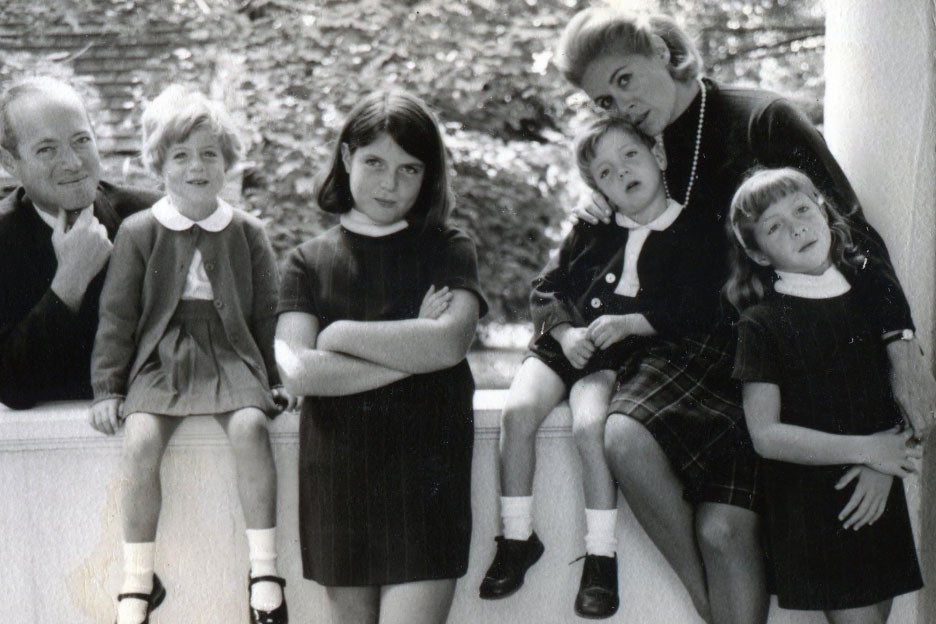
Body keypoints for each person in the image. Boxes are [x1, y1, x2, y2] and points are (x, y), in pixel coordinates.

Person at [554, 7, 935, 624]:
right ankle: (714, 610)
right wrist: (601, 211)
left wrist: (899, 341)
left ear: (660, 50)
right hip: (690, 352)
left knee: (725, 532)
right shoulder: (631, 155)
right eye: (603, 100)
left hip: (775, 360)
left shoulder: (761, 119)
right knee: (622, 438)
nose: (619, 106)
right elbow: (600, 266)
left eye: (625, 79)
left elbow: (851, 237)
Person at [479, 117, 721, 619]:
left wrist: (635, 322)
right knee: (517, 414)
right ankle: (517, 536)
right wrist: (564, 332)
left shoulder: (693, 230)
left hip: (613, 353)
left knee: (592, 426)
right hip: (563, 341)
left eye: (630, 156)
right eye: (606, 172)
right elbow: (547, 286)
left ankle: (600, 555)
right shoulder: (592, 226)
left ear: (658, 156)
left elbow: (696, 307)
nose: (622, 173)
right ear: (598, 189)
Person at [274, 90, 486, 624]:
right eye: (374, 162)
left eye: (409, 169)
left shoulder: (448, 246)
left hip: (426, 483)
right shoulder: (306, 261)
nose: (390, 184)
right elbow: (299, 371)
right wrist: (410, 347)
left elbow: (448, 344)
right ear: (346, 158)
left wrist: (340, 333)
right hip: (339, 484)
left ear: (428, 176)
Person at [89, 85, 292, 624]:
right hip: (163, 354)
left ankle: (265, 570)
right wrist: (109, 387)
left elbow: (267, 313)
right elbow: (118, 316)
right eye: (181, 155)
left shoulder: (248, 232)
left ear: (227, 163)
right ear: (160, 165)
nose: (196, 166)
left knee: (251, 427)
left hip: (231, 351)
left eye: (209, 153)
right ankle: (138, 578)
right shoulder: (139, 231)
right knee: (139, 440)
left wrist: (273, 378)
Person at [727, 167, 924, 622]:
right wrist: (870, 451)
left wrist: (883, 465)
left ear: (824, 211)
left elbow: (905, 392)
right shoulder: (761, 323)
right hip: (815, 507)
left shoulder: (872, 294)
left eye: (801, 209)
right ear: (757, 253)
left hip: (877, 491)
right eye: (774, 226)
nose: (796, 226)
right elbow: (766, 435)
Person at [0, 76, 158, 409]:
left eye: (81, 140)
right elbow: (12, 386)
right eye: (46, 149)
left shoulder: (156, 218)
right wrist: (69, 283)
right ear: (10, 163)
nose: (72, 162)